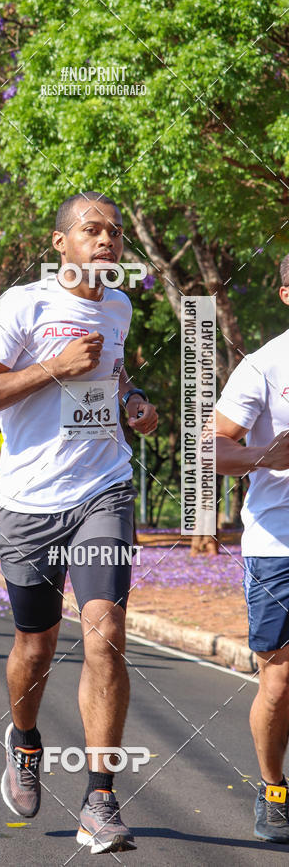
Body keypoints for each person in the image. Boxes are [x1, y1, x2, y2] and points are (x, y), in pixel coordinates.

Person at [0, 191, 158, 853]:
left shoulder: (121, 306)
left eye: (116, 231)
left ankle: (101, 797)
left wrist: (131, 401)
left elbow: (113, 372)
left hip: (104, 489)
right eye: (92, 230)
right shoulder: (25, 305)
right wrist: (52, 367)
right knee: (34, 647)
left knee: (104, 634)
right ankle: (25, 739)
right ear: (60, 243)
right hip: (28, 503)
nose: (107, 240)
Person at [216, 257, 289, 843]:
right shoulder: (262, 367)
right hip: (278, 547)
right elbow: (209, 453)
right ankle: (274, 789)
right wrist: (267, 458)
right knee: (280, 681)